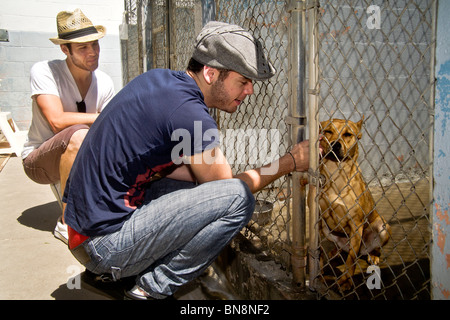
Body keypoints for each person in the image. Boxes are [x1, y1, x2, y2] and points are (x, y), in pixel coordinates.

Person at [63, 21, 310, 300]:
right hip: (103, 246)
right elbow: (228, 191)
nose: (250, 91)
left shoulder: (161, 82)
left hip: (81, 231)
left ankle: (116, 272)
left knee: (198, 190)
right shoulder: (189, 113)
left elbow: (193, 178)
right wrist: (289, 162)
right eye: (242, 81)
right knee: (240, 200)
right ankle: (150, 289)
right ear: (210, 72)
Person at [21, 9, 115, 244]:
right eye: (83, 48)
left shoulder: (104, 81)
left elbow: (111, 129)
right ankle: (67, 223)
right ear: (65, 49)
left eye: (95, 44)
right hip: (39, 161)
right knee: (79, 134)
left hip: (84, 154)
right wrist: (103, 117)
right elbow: (56, 121)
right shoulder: (45, 71)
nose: (92, 52)